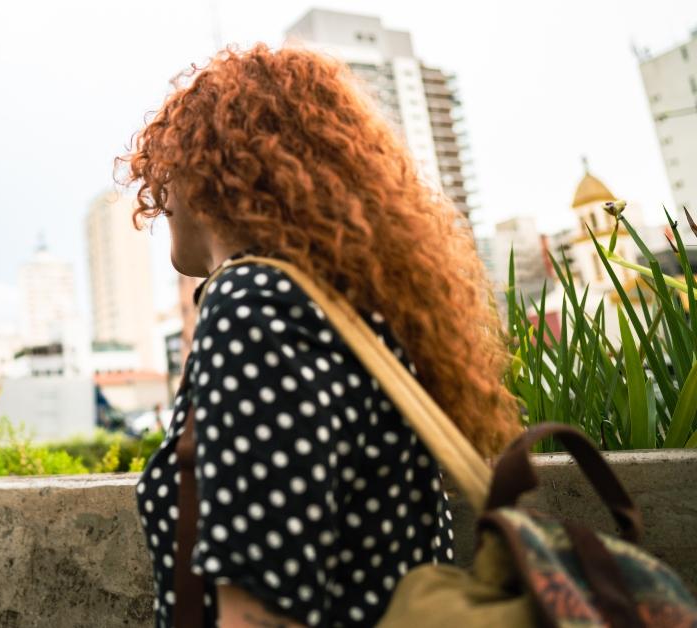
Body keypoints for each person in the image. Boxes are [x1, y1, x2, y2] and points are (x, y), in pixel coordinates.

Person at [123, 45, 521, 627]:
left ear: (213, 171)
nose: (158, 199)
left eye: (166, 171)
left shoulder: (252, 308)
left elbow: (259, 611)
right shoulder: (352, 311)